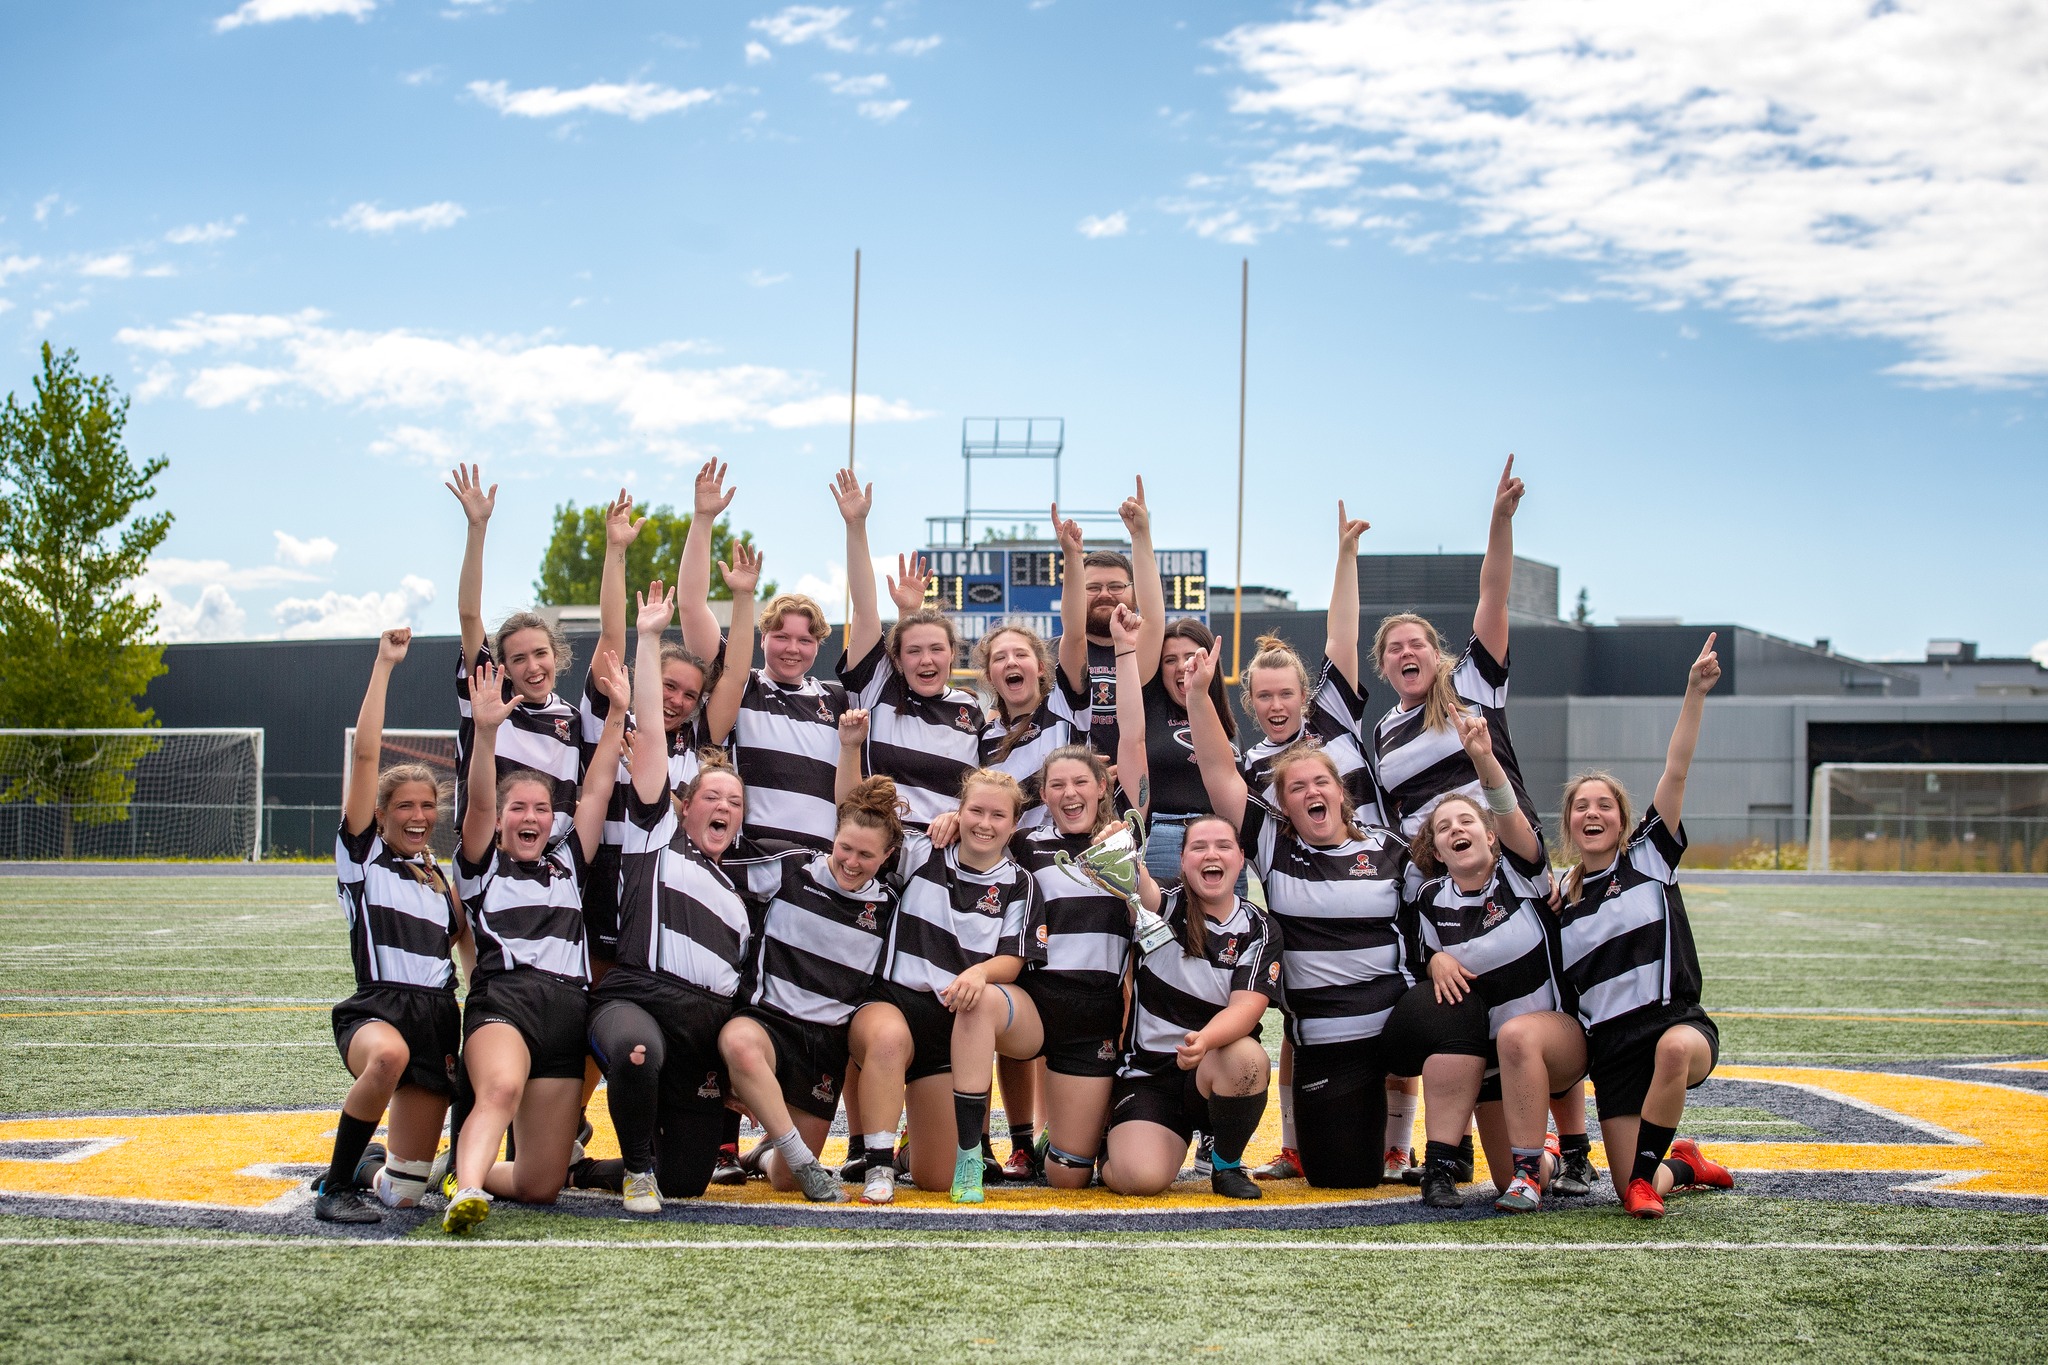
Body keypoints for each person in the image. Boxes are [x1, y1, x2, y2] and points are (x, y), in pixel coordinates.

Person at [1369, 456, 1584, 1188]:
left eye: (1417, 642)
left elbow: (1494, 590)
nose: (1406, 652)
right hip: (1445, 880)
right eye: (1393, 646)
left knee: (1542, 991)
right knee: (1467, 1012)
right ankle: (1479, 1151)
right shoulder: (1383, 733)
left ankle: (1581, 1143)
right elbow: (1399, 821)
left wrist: (1499, 518)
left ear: (1438, 653)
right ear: (1383, 665)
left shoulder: (1472, 686)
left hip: (1508, 854)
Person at [1184, 640, 1412, 1191]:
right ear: (1281, 803)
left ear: (1342, 792)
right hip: (1326, 1027)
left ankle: (1437, 1151)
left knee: (1454, 1018)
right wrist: (1196, 694)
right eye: (1297, 788)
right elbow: (1219, 771)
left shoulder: (1389, 846)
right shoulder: (1273, 839)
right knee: (1340, 1177)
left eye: (1322, 783)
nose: (1311, 791)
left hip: (1393, 1017)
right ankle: (1316, 1140)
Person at [947, 601, 1154, 1192]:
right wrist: (948, 820)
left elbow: (1133, 738)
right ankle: (969, 1151)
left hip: (1095, 1018)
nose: (1067, 793)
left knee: (1068, 1178)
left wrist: (1131, 864)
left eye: (1079, 783)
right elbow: (979, 833)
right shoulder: (1024, 844)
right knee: (979, 1000)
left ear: (1103, 786)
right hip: (1037, 1007)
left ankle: (1070, 1136)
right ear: (1043, 792)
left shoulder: (1123, 836)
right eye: (1056, 785)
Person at [581, 577, 759, 1214]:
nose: (723, 807)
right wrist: (649, 638)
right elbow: (651, 734)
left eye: (734, 803)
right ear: (684, 807)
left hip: (699, 1026)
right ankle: (634, 1172)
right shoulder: (658, 836)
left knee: (688, 1179)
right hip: (635, 996)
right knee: (635, 1052)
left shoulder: (737, 900)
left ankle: (613, 1167)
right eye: (711, 796)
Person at [441, 651, 626, 1235]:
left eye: (541, 809)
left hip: (568, 1012)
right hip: (507, 1003)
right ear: (500, 820)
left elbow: (595, 790)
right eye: (517, 807)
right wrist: (488, 732)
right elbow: (477, 802)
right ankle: (466, 1188)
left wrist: (617, 712)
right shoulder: (481, 865)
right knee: (499, 1087)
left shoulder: (567, 860)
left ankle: (460, 1173)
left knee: (540, 1185)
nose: (530, 817)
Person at [1229, 502, 1386, 1182]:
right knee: (1300, 1023)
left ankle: (1402, 1142)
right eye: (1263, 695)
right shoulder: (1251, 764)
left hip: (1376, 879)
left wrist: (1346, 554)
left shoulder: (1333, 717)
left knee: (1386, 1005)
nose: (1276, 703)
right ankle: (1294, 1142)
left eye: (1286, 690)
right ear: (1250, 701)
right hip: (1306, 904)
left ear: (1304, 692)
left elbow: (1342, 636)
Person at [1554, 635, 1735, 1219]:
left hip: (1672, 1025)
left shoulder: (1648, 860)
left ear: (1623, 819)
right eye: (1581, 807)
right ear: (1569, 825)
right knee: (1638, 1179)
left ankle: (1647, 1179)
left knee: (1676, 1051)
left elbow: (1676, 770)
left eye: (1604, 805)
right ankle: (1682, 1161)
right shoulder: (1561, 897)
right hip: (1612, 1048)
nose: (1592, 813)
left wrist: (1694, 691)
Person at [837, 725, 1034, 1205]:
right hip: (896, 1004)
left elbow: (1012, 958)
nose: (984, 823)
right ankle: (879, 1164)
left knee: (934, 1176)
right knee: (886, 1040)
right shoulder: (925, 850)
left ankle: (908, 1155)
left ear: (1014, 825)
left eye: (997, 816)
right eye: (974, 811)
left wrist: (979, 972)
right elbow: (850, 818)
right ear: (958, 811)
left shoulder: (1019, 882)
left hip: (952, 1024)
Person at [316, 628, 474, 1224]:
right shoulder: (363, 860)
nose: (417, 815)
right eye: (404, 806)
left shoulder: (441, 877)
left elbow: (468, 952)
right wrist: (384, 666)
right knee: (385, 1059)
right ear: (380, 815)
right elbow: (365, 755)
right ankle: (336, 1189)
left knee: (407, 1192)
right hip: (380, 1011)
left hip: (437, 1019)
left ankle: (370, 1166)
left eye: (427, 806)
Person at [1392, 709, 1578, 1212]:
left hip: (1553, 1040)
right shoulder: (1431, 900)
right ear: (1438, 849)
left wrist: (1483, 758)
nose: (1456, 829)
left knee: (1521, 1038)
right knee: (1508, 1177)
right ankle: (1551, 1160)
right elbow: (1418, 966)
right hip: (1492, 1058)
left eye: (1467, 821)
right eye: (1444, 827)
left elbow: (1507, 809)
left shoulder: (1518, 876)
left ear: (1489, 835)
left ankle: (1564, 1146)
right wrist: (1435, 963)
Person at [968, 502, 1094, 1177]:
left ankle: (1067, 1131)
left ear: (1040, 668)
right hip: (1004, 885)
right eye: (999, 657)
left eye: (1022, 654)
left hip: (1064, 879)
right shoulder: (982, 737)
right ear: (988, 674)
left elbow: (1074, 633)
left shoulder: (1064, 711)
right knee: (1009, 1015)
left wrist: (1072, 558)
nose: (1011, 663)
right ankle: (1019, 1137)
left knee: (1059, 1006)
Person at [716, 774, 907, 1204]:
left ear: (889, 856)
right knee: (738, 1043)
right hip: (768, 1022)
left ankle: (769, 1155)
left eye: (866, 855)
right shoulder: (790, 867)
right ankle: (804, 1161)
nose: (852, 863)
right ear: (832, 838)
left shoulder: (891, 906)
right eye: (845, 848)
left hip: (823, 1044)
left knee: (783, 1179)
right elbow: (712, 866)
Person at [1102, 813, 1279, 1200]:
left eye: (1223, 846)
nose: (1210, 854)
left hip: (1209, 1069)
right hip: (1151, 1077)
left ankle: (1226, 1163)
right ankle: (1107, 1138)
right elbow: (1142, 888)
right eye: (1198, 847)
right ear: (1182, 861)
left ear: (1241, 858)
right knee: (1140, 1180)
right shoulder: (1164, 903)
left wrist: (1204, 1040)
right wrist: (1121, 848)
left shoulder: (1258, 927)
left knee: (1248, 1060)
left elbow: (1247, 1007)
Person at [700, 477, 850, 853]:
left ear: (818, 646)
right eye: (781, 637)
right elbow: (690, 608)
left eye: (805, 640)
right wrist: (703, 520)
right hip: (748, 864)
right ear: (762, 638)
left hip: (818, 870)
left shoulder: (836, 699)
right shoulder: (743, 686)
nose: (792, 649)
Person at [833, 469, 985, 830]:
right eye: (914, 651)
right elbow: (865, 609)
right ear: (897, 660)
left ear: (952, 654)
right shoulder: (879, 687)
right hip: (879, 855)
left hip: (945, 859)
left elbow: (985, 794)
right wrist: (856, 526)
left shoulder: (971, 709)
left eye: (936, 649)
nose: (926, 659)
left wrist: (960, 817)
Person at [448, 464, 587, 846]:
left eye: (540, 653)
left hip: (552, 862)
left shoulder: (572, 721)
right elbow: (469, 614)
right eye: (519, 658)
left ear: (556, 657)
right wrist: (477, 528)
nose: (533, 666)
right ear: (503, 668)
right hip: (488, 854)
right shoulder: (489, 698)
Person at [1140, 617, 1237, 886]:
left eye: (1192, 656)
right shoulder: (1149, 714)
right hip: (1165, 839)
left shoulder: (1226, 727)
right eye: (1170, 660)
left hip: (1220, 844)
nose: (1183, 666)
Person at [1079, 478, 1165, 763]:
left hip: (1135, 790)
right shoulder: (1058, 654)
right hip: (1071, 789)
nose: (1105, 595)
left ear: (1134, 592)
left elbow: (1153, 617)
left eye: (1116, 587)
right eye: (1093, 588)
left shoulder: (1142, 650)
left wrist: (1141, 536)